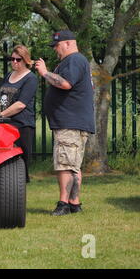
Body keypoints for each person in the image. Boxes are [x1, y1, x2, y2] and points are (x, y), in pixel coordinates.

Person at [35, 30, 95, 216]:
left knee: (65, 164)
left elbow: (65, 83)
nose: (55, 50)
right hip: (73, 121)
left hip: (70, 122)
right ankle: (74, 203)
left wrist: (45, 73)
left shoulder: (74, 60)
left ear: (68, 43)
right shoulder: (74, 61)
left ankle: (63, 204)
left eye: (57, 45)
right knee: (72, 164)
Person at [0, 45, 38, 182]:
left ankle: (20, 185)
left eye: (18, 59)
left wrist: (1, 115)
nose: (14, 62)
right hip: (4, 124)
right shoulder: (8, 75)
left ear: (25, 60)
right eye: (12, 59)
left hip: (22, 124)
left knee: (21, 157)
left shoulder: (30, 78)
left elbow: (21, 104)